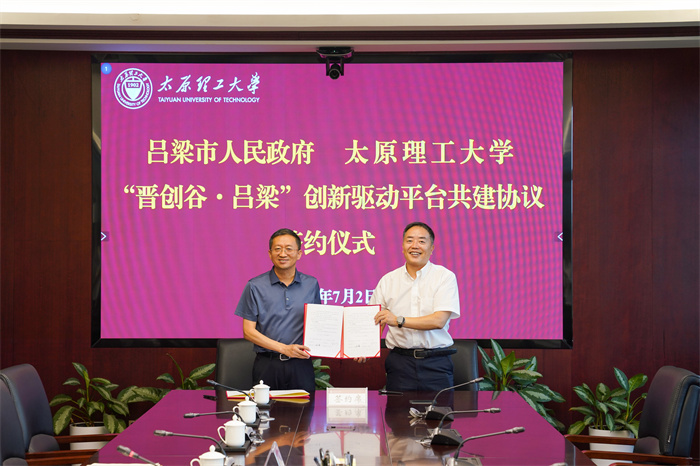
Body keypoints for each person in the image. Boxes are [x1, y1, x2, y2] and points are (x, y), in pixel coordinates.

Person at [370, 221, 460, 391]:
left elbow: (439, 321)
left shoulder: (444, 277)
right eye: (409, 240)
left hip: (436, 363)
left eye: (422, 241)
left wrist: (399, 320)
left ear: (432, 248)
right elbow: (376, 320)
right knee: (397, 409)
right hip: (399, 363)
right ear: (402, 247)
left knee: (439, 408)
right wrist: (364, 347)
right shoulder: (388, 280)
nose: (415, 246)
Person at [234, 228, 320, 393]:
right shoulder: (255, 286)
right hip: (267, 364)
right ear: (270, 253)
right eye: (277, 249)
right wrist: (284, 348)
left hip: (301, 365)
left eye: (289, 249)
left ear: (299, 254)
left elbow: (318, 323)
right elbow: (248, 332)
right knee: (264, 409)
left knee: (304, 409)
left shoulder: (311, 284)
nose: (283, 254)